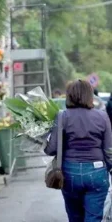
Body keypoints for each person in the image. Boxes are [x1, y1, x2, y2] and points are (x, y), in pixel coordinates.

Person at [44, 80, 112, 222]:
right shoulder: (102, 117)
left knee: (75, 217)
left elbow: (51, 149)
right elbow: (109, 151)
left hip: (69, 172)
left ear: (69, 95)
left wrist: (43, 138)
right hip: (97, 171)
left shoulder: (62, 116)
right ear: (90, 95)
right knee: (93, 218)